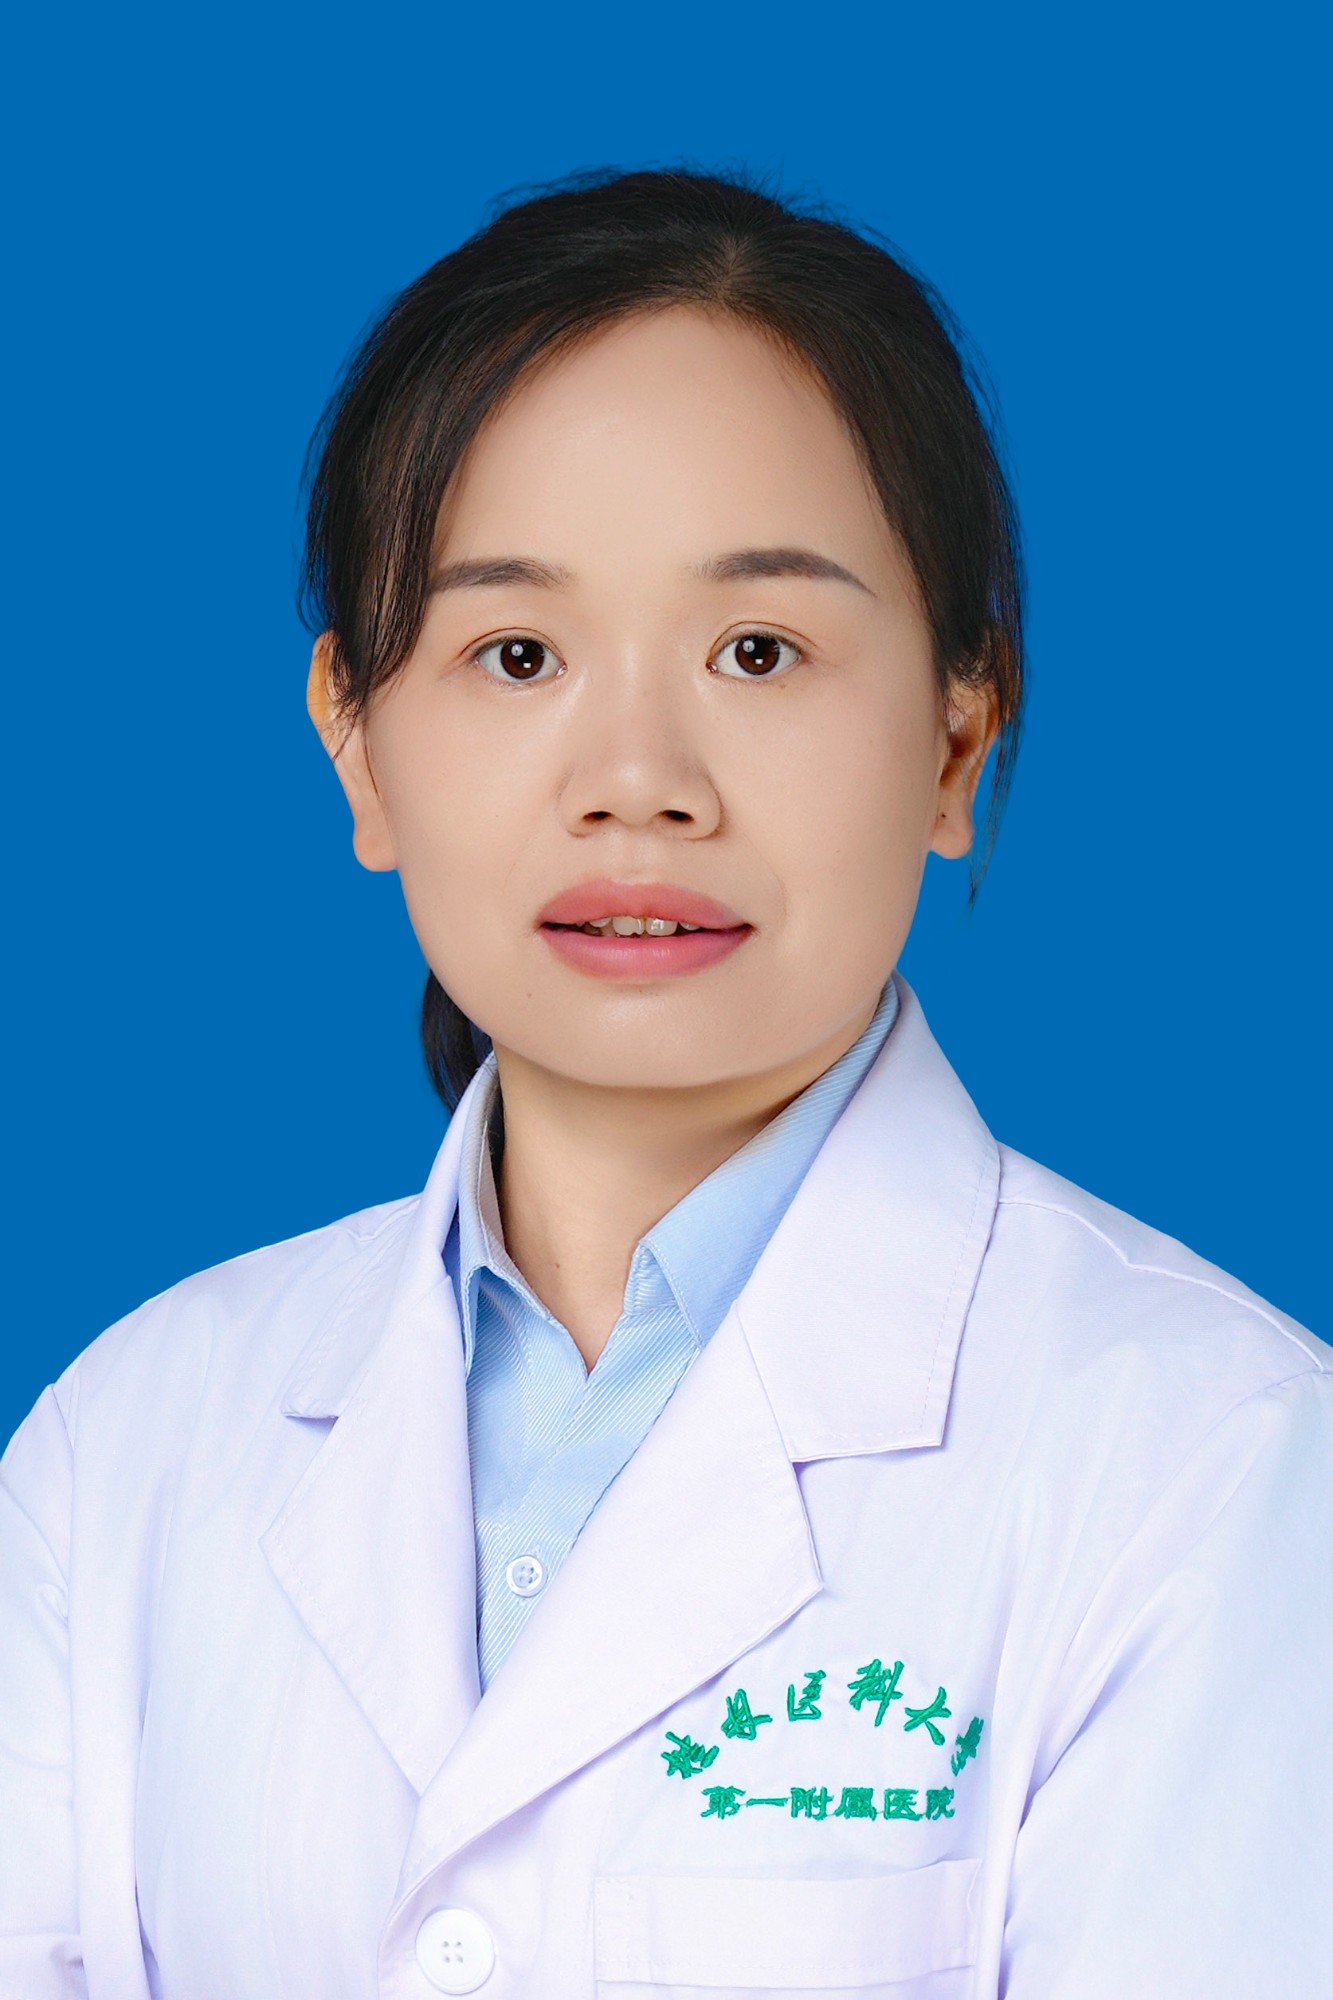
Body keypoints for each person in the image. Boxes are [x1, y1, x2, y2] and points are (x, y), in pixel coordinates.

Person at [1, 167, 1328, 2000]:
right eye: (517, 654)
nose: (637, 778)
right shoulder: (125, 1447)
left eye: (758, 651)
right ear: (357, 746)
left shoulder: (1217, 1466)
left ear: (957, 734)